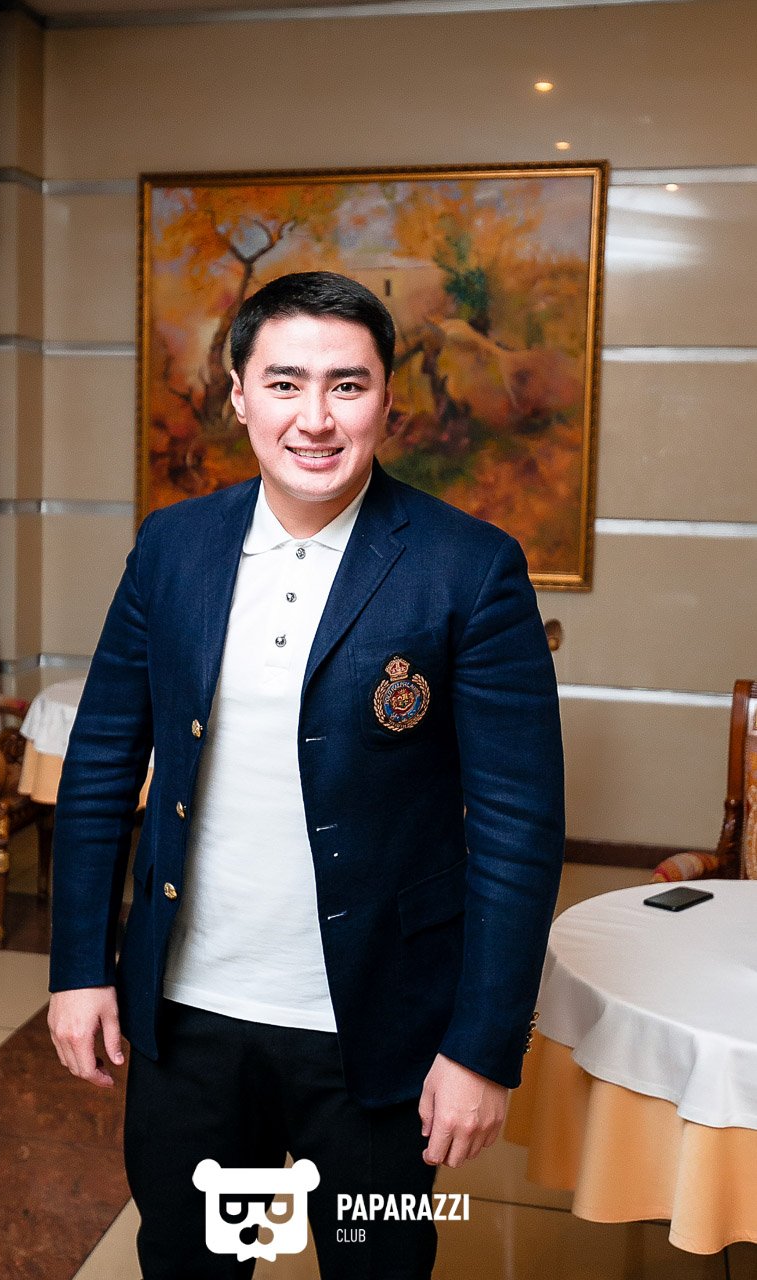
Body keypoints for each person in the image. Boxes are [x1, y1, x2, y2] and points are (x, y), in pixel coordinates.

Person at [47, 271, 564, 1279]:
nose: (315, 418)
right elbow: (103, 762)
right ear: (239, 394)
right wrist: (77, 967)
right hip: (188, 1021)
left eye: (346, 385)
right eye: (284, 383)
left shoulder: (469, 567)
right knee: (190, 1265)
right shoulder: (172, 547)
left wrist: (482, 1045)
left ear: (387, 401)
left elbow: (517, 828)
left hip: (380, 1032)